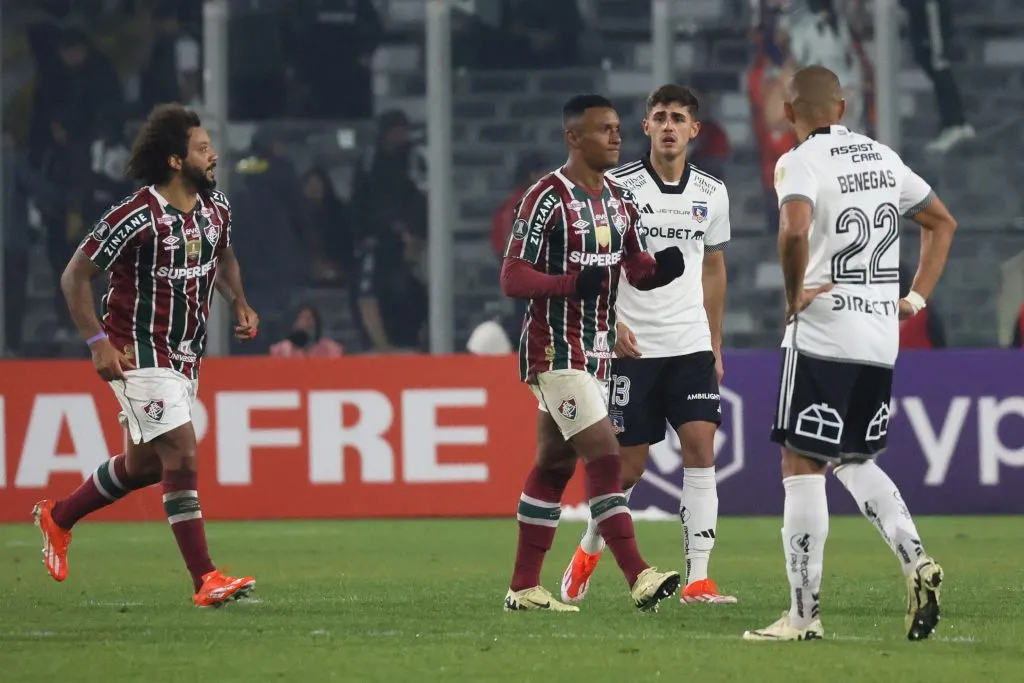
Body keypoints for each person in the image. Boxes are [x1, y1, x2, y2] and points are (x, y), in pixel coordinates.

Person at [743, 66, 957, 642]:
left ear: (790, 114)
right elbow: (942, 222)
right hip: (879, 335)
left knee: (800, 463)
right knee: (855, 460)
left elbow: (792, 230)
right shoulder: (883, 158)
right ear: (841, 107)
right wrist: (914, 297)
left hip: (824, 329)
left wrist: (792, 295)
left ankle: (802, 616)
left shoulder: (798, 161)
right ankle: (917, 561)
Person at [32, 104, 261, 608]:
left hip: (185, 358)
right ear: (176, 161)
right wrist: (97, 343)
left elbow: (222, 254)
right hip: (138, 356)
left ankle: (60, 516)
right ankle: (205, 578)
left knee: (144, 467)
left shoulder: (215, 207)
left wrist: (238, 301)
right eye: (203, 148)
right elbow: (75, 276)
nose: (213, 154)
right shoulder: (136, 216)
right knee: (181, 450)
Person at [499, 94, 686, 613]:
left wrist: (661, 268)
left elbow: (634, 268)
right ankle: (639, 575)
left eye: (618, 129)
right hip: (555, 351)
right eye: (604, 130)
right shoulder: (546, 197)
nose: (616, 138)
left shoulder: (620, 201)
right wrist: (568, 283)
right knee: (606, 455)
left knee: (553, 467)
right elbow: (513, 276)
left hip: (599, 352)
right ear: (573, 138)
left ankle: (523, 587)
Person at [561, 84, 736, 606]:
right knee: (628, 468)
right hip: (632, 349)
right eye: (659, 116)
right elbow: (595, 260)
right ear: (646, 127)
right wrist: (609, 323)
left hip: (689, 344)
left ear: (693, 130)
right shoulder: (616, 187)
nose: (668, 125)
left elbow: (713, 265)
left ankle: (699, 579)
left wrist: (715, 340)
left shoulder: (713, 193)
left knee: (700, 449)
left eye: (678, 117)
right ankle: (589, 549)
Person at [269, 305, 344, 358]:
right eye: (302, 318)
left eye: (309, 319)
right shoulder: (280, 351)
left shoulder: (331, 349)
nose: (307, 324)